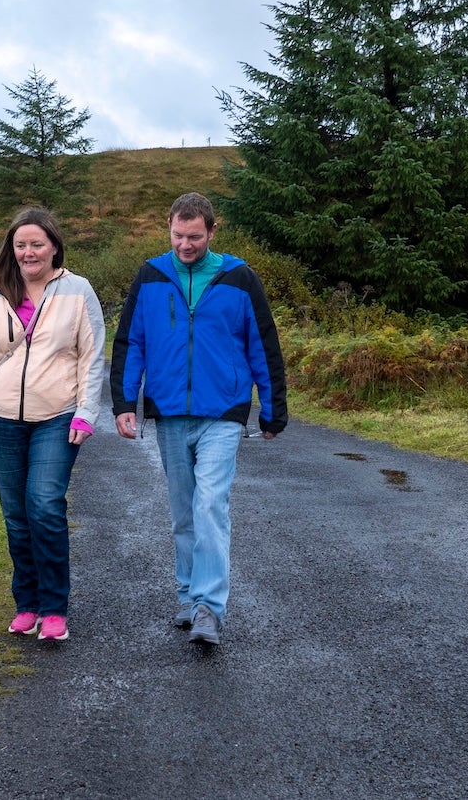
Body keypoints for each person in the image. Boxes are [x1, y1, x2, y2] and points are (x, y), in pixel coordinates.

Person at [111, 192, 287, 646]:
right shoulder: (150, 276)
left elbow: (263, 347)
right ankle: (188, 597)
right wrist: (125, 403)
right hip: (169, 413)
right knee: (182, 513)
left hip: (222, 414)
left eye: (193, 236)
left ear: (212, 231)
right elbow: (131, 343)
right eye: (177, 235)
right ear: (167, 228)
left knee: (211, 506)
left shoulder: (240, 278)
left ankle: (209, 607)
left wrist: (273, 409)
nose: (185, 245)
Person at [0, 207, 110, 643]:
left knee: (44, 505)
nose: (28, 252)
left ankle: (54, 608)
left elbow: (90, 356)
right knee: (17, 516)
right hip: (0, 416)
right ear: (12, 248)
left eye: (37, 244)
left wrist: (86, 411)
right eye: (21, 244)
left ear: (54, 246)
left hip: (58, 415)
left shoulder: (77, 290)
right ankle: (26, 604)